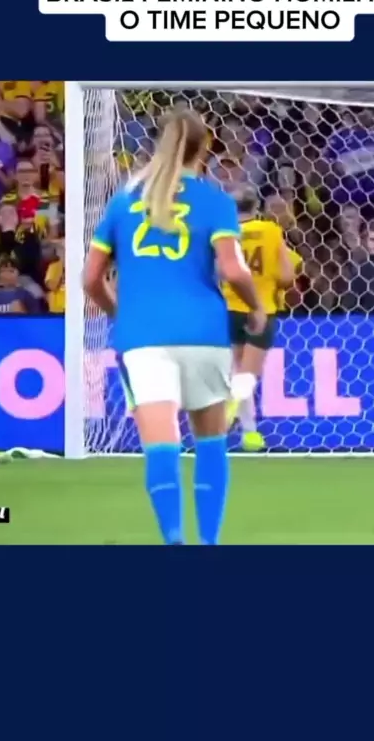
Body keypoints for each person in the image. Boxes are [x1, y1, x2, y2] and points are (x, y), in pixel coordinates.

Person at [83, 110, 265, 546]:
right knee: (210, 443)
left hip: (143, 336)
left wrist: (118, 312)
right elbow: (233, 269)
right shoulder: (215, 201)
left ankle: (174, 542)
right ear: (205, 149)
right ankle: (209, 544)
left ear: (155, 144)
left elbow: (90, 279)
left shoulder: (123, 202)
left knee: (161, 445)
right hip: (204, 332)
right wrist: (257, 306)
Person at [221, 185, 295, 452]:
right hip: (261, 309)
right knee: (247, 374)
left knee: (237, 369)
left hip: (230, 307)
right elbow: (287, 277)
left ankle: (250, 433)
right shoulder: (271, 231)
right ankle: (231, 410)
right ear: (257, 207)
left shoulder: (225, 235)